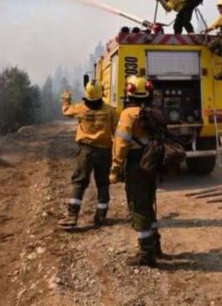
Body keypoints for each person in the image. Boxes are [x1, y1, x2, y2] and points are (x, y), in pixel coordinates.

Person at [109, 75, 162, 267]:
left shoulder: (128, 114)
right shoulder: (153, 112)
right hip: (151, 162)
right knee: (148, 203)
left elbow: (121, 143)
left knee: (138, 206)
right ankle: (155, 244)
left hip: (136, 164)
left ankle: (146, 253)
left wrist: (115, 168)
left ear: (129, 91)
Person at [59, 81, 119, 229]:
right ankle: (101, 216)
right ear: (101, 93)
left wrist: (66, 99)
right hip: (104, 151)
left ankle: (72, 216)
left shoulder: (81, 108)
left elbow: (66, 111)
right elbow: (116, 133)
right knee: (103, 183)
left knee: (79, 182)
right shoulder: (111, 111)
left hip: (86, 151)